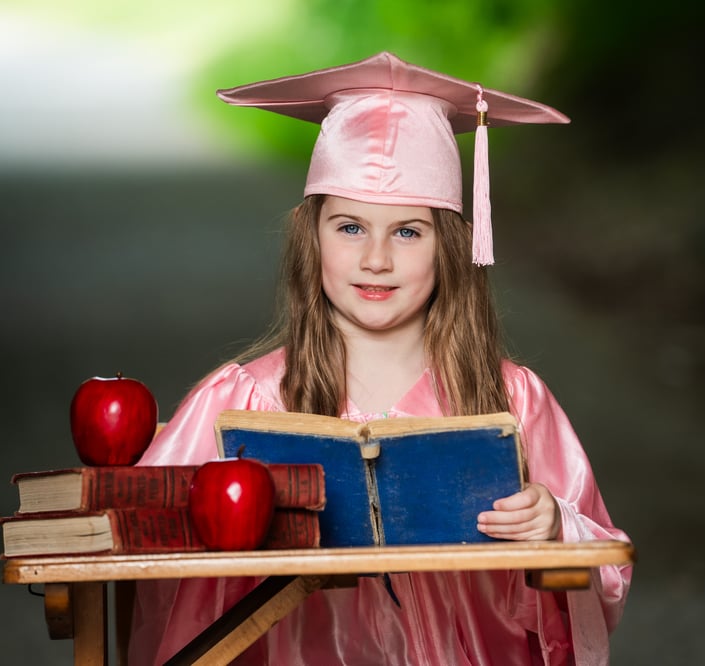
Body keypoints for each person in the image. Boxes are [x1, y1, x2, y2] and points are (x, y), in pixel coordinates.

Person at [129, 52, 632, 665]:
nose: (375, 260)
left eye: (408, 231)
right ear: (309, 237)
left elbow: (605, 560)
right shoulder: (243, 401)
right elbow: (142, 544)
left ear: (451, 249)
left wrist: (555, 523)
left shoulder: (513, 401)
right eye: (349, 227)